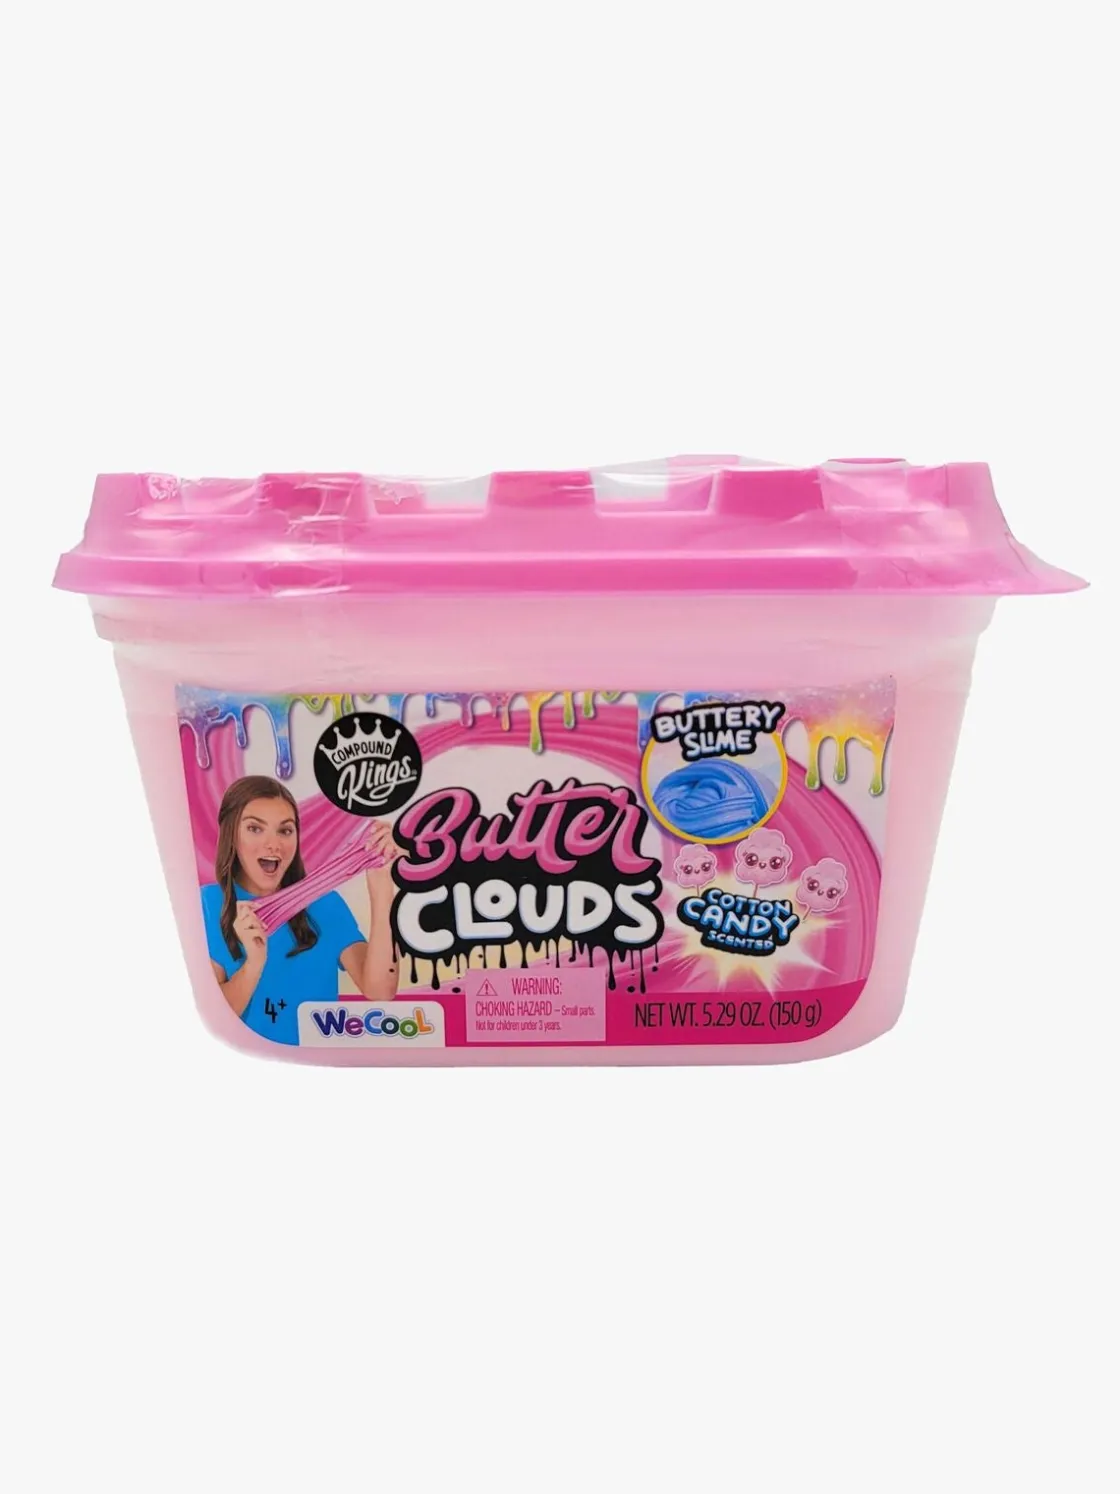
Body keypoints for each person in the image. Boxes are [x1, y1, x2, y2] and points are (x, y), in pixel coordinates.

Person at [200, 775, 399, 1044]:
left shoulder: (325, 904)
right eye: (255, 828)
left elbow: (380, 990)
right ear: (231, 835)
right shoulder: (208, 904)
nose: (273, 844)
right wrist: (254, 963)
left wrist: (382, 887)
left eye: (285, 830)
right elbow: (211, 1019)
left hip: (319, 1063)